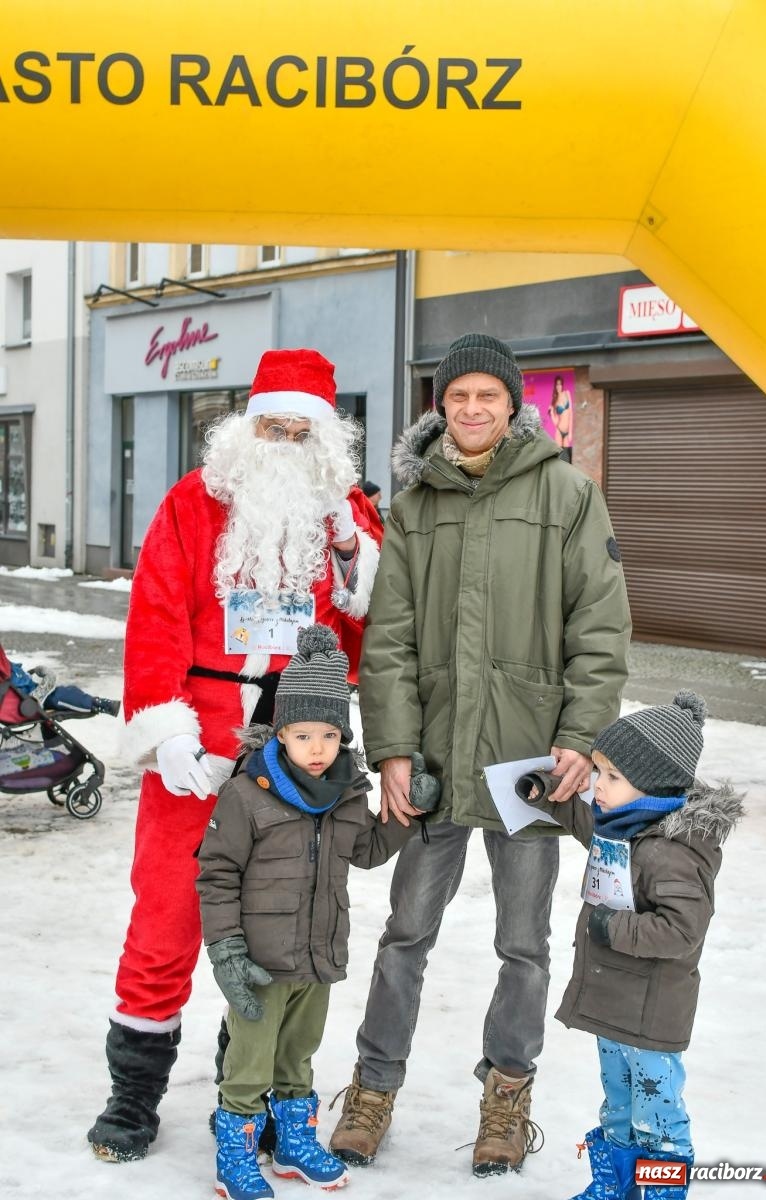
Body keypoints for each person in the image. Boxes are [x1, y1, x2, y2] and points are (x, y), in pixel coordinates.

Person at [329, 332, 631, 1177]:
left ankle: (507, 1095)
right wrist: (390, 747)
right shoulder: (415, 501)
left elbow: (599, 627)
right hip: (431, 756)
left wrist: (577, 735)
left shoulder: (567, 494)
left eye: (486, 397)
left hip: (528, 763)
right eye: (457, 396)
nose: (470, 410)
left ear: (512, 404)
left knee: (523, 945)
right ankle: (373, 1089)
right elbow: (386, 638)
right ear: (441, 406)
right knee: (403, 937)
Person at [88, 348, 383, 1164]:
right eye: (272, 425)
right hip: (199, 741)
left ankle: (241, 1093)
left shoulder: (347, 516)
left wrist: (355, 561)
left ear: (323, 437)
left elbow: (371, 638)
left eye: (301, 429)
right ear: (245, 427)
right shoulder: (193, 503)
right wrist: (166, 725)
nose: (285, 441)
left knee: (274, 926)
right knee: (168, 916)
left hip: (296, 756)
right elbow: (153, 612)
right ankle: (133, 1096)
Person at [196, 624, 418, 1200]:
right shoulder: (247, 795)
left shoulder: (346, 794)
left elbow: (366, 851)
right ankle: (236, 1151)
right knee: (248, 1063)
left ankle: (293, 1141)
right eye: (302, 735)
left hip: (317, 957)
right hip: (259, 964)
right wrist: (226, 952)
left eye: (328, 734)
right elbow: (216, 874)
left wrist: (407, 812)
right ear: (281, 733)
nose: (316, 749)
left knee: (299, 1054)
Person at [526, 692, 743, 1200]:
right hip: (616, 1007)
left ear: (653, 786)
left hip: (650, 1015)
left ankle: (661, 1191)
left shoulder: (673, 855)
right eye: (599, 773)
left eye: (612, 778)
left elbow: (682, 930)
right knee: (619, 1106)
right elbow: (586, 823)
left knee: (659, 1117)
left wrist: (611, 928)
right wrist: (545, 792)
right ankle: (616, 1184)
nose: (598, 786)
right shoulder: (626, 826)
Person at [4, 655, 120, 717]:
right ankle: (98, 704)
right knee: (61, 696)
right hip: (25, 701)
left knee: (68, 691)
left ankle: (95, 703)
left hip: (21, 689)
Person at [548, 374, 573, 459]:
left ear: (562, 385)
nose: (559, 386)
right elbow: (556, 422)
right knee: (559, 456)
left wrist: (570, 432)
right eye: (557, 384)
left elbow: (571, 413)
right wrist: (551, 414)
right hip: (559, 430)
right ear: (555, 386)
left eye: (560, 384)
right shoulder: (555, 400)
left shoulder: (567, 393)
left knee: (567, 457)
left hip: (566, 432)